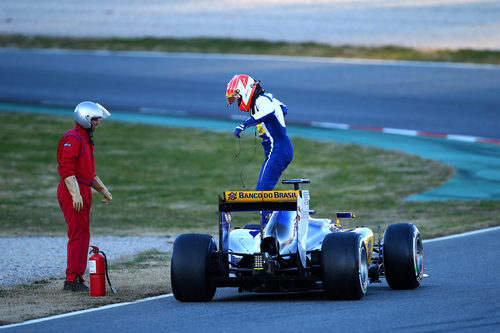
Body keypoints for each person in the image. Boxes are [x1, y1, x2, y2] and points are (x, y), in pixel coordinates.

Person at [57, 101, 113, 292]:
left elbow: (88, 173)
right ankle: (72, 279)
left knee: (83, 234)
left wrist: (103, 190)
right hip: (73, 191)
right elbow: (66, 170)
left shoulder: (85, 139)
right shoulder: (73, 139)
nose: (98, 122)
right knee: (77, 235)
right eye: (96, 119)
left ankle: (77, 277)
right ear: (86, 118)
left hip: (82, 189)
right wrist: (75, 194)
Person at [226, 74, 294, 223]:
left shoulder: (262, 100)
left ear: (245, 92)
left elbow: (268, 112)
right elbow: (284, 108)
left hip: (278, 149)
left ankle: (270, 231)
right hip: (277, 150)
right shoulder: (263, 100)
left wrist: (244, 125)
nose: (237, 101)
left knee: (261, 194)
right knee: (262, 193)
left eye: (237, 97)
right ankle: (271, 227)